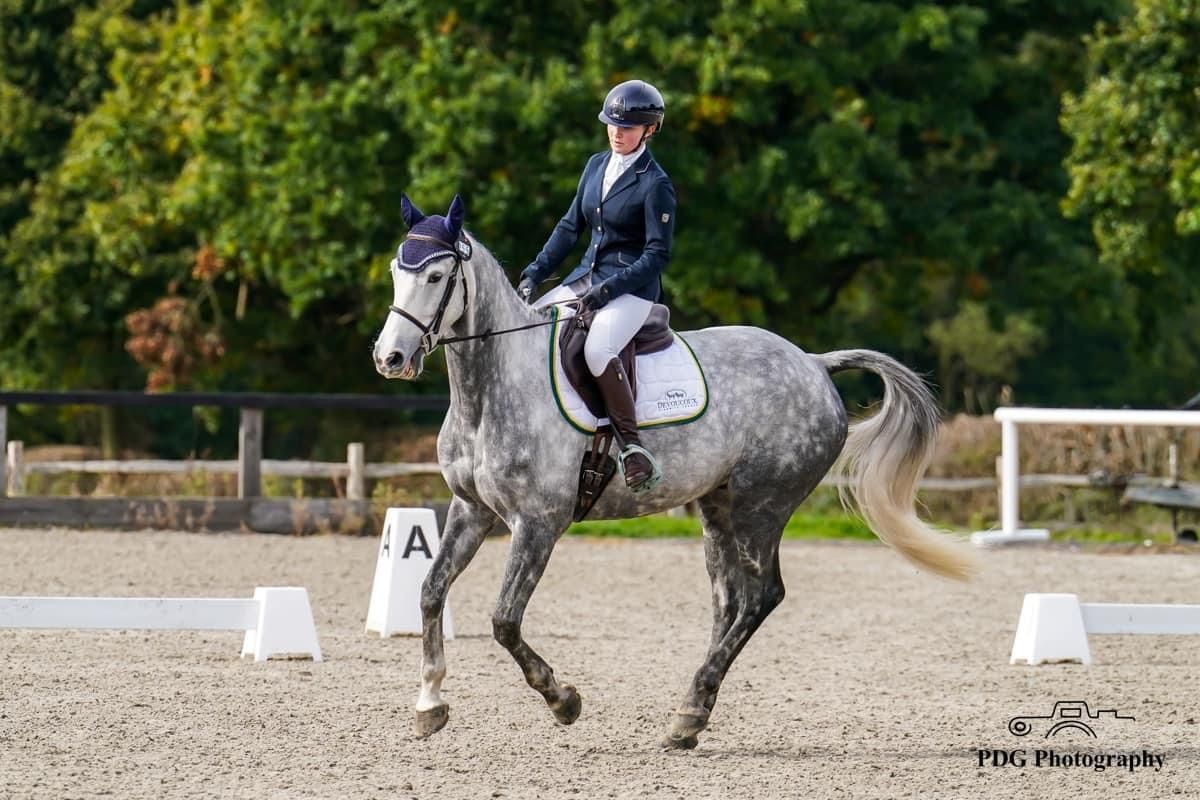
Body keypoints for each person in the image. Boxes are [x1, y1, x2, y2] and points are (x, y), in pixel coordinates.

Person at [518, 79, 676, 494]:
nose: (616, 133)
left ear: (649, 130)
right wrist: (534, 273)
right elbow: (571, 227)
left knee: (597, 348)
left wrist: (607, 291)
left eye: (627, 128)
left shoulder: (655, 184)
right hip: (585, 278)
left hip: (632, 291)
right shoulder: (595, 165)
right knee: (531, 328)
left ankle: (632, 447)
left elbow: (657, 256)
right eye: (612, 125)